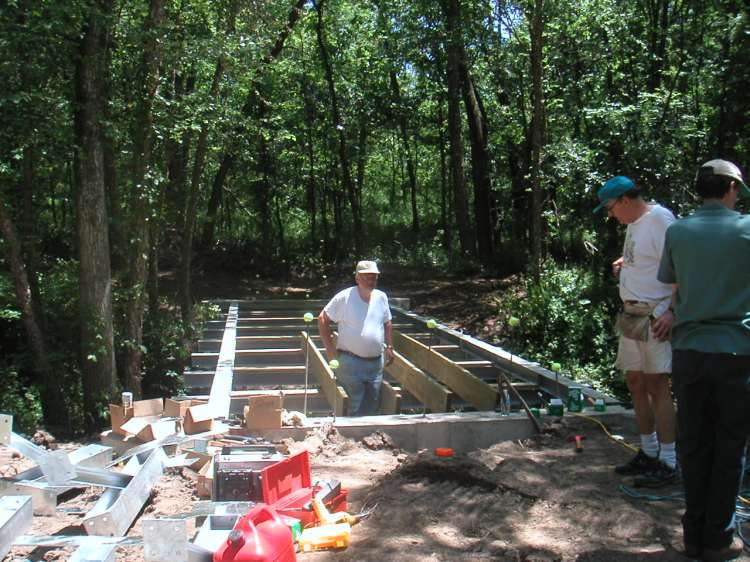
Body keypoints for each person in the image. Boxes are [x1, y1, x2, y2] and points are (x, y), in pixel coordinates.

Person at [657, 159, 750, 561]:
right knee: (729, 446)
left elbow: (673, 284)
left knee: (693, 444)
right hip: (735, 352)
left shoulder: (678, 230)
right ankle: (718, 537)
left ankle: (693, 534)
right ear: (731, 188)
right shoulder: (746, 229)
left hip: (690, 353)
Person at [594, 175, 678, 487]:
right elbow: (647, 261)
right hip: (631, 313)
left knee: (658, 384)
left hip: (654, 315)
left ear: (626, 201)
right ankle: (649, 449)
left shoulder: (660, 220)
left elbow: (679, 267)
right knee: (635, 381)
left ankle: (668, 460)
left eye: (611, 208)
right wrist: (625, 264)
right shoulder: (634, 223)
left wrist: (671, 311)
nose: (611, 215)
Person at [318, 260, 395, 416]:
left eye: (374, 277)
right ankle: (351, 437)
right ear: (357, 278)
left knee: (372, 404)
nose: (371, 280)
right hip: (351, 363)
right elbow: (322, 319)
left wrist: (390, 346)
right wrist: (330, 351)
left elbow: (387, 322)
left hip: (375, 364)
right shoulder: (345, 297)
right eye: (367, 276)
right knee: (355, 406)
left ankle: (369, 439)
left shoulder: (381, 297)